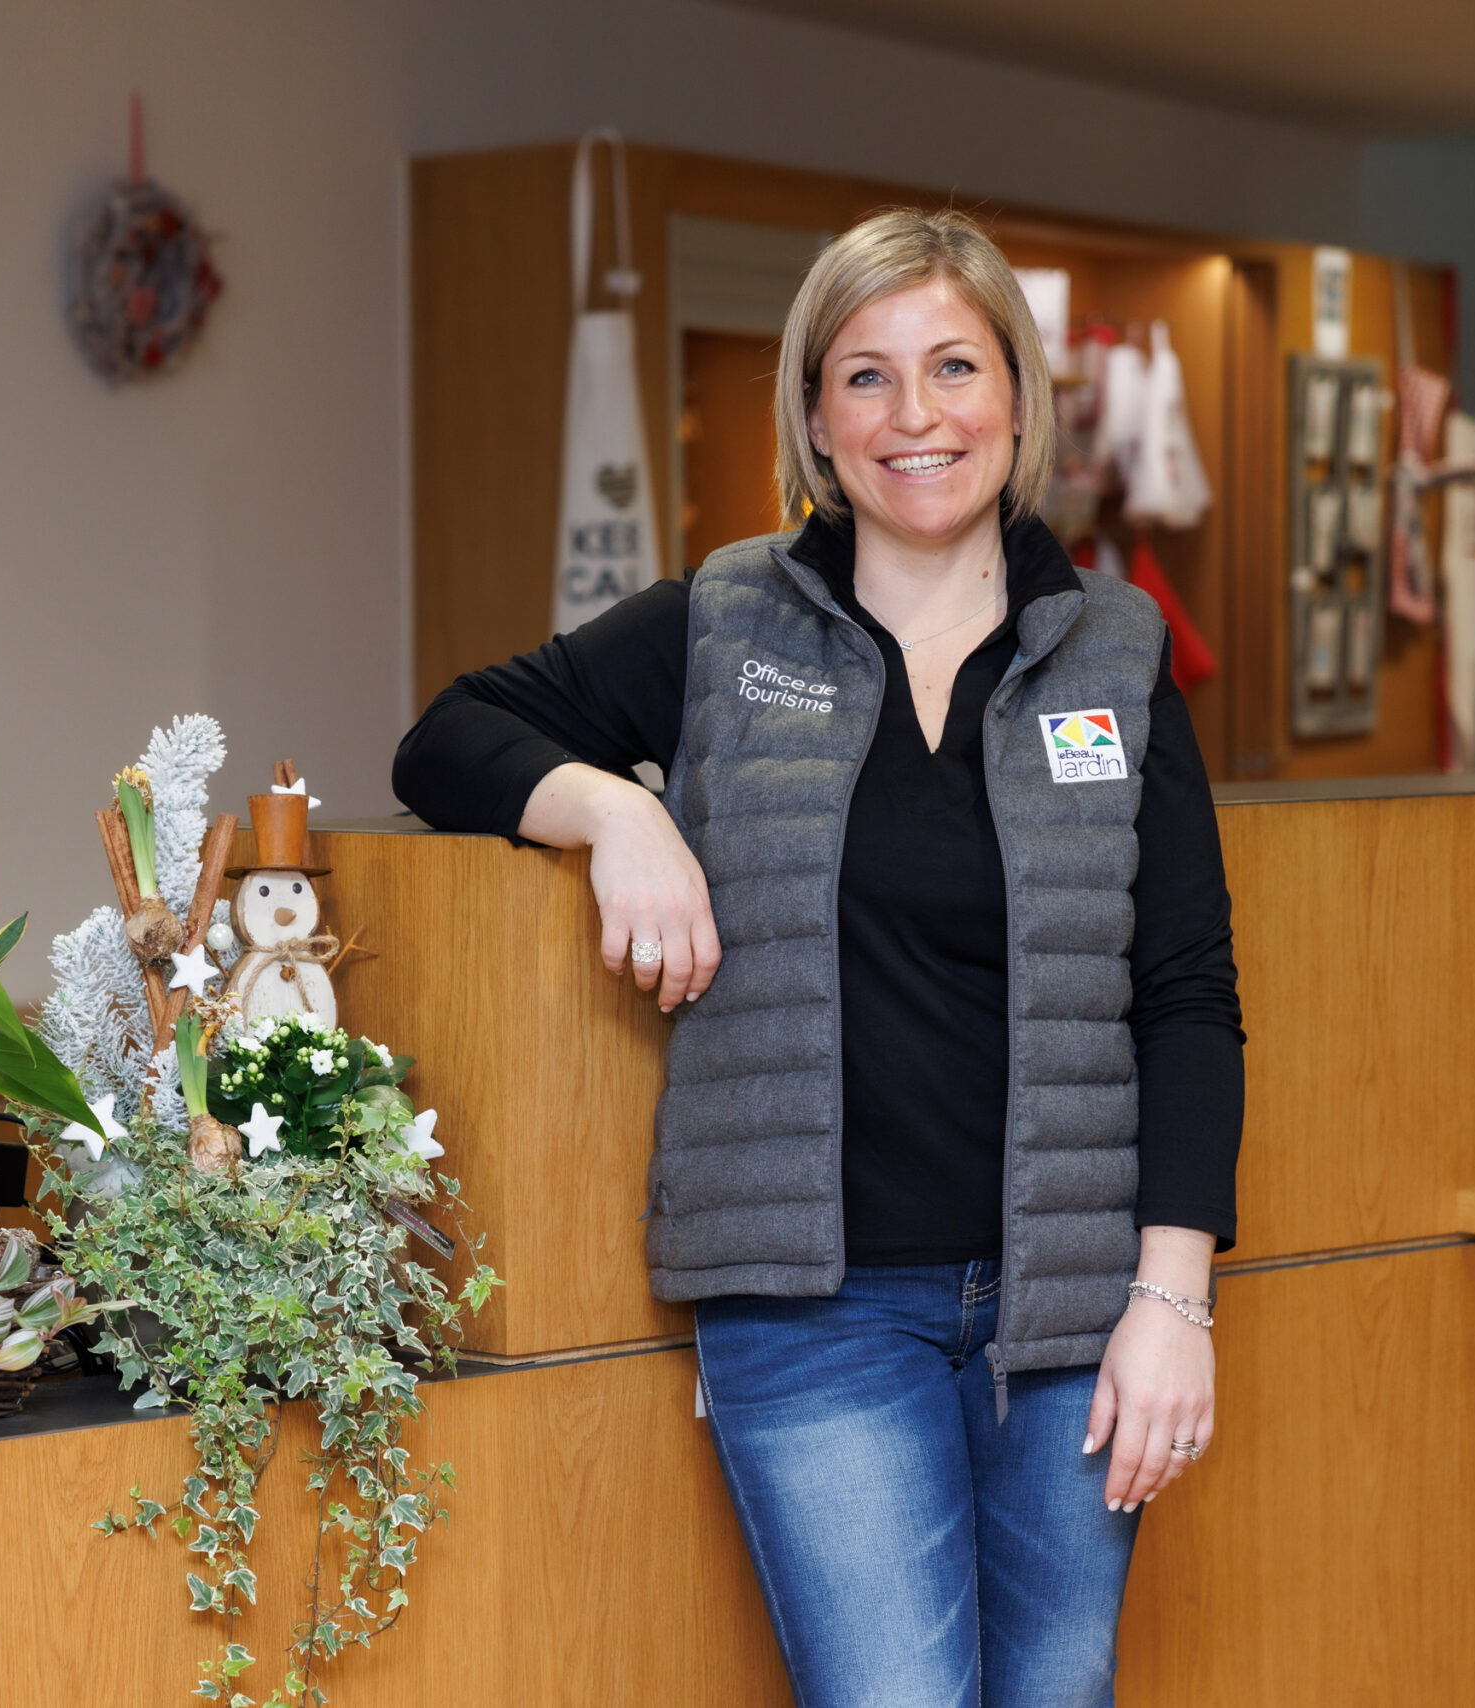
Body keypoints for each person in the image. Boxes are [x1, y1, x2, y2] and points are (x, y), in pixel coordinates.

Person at [393, 207, 1242, 1708]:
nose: (915, 417)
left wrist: (1171, 1305)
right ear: (812, 417)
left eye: (954, 368)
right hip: (817, 1311)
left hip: (1072, 1314)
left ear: (1019, 401)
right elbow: (446, 739)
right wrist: (612, 813)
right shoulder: (724, 622)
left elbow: (1181, 991)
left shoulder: (1113, 648)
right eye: (866, 377)